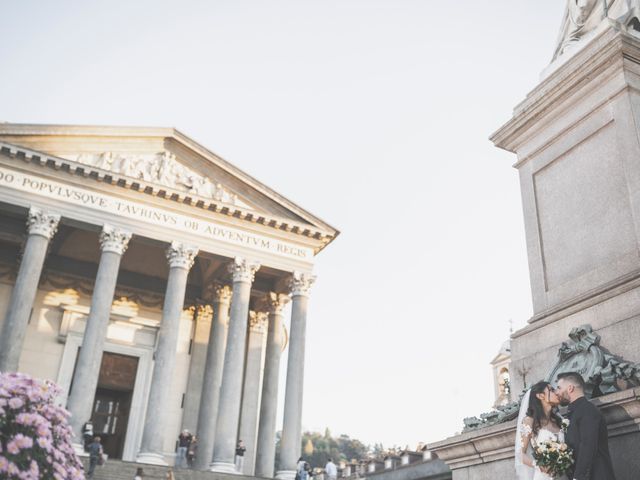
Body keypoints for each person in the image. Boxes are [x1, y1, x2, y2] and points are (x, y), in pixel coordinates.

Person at [555, 372, 617, 480]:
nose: (557, 392)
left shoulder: (588, 410)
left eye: (559, 388)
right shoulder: (573, 412)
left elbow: (588, 446)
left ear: (570, 388)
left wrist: (578, 477)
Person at [515, 381, 563, 480]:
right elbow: (520, 454)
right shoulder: (530, 421)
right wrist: (539, 465)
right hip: (544, 476)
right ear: (541, 396)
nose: (556, 393)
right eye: (551, 390)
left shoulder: (559, 420)